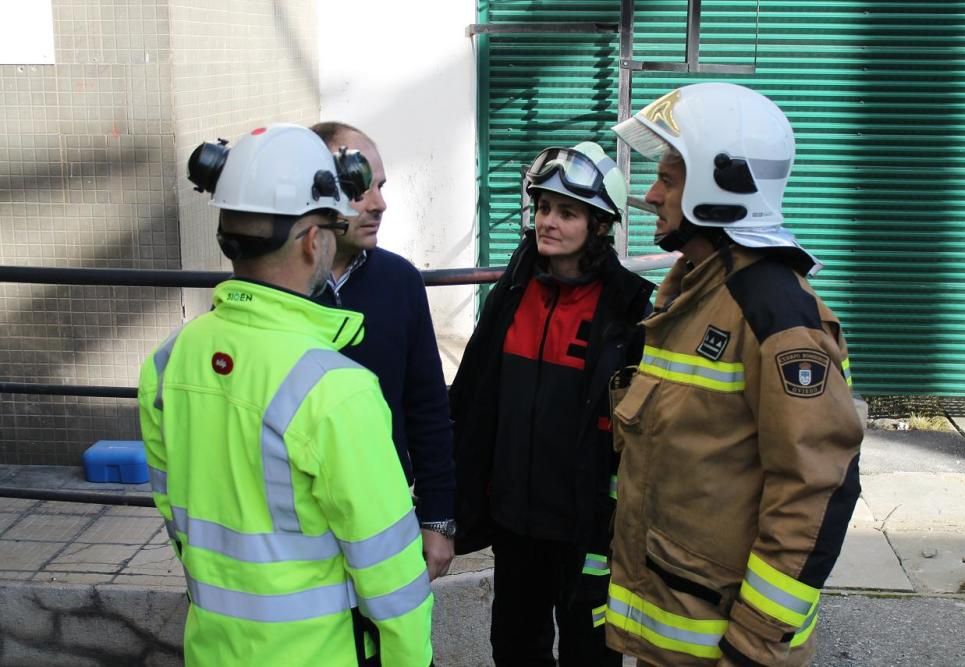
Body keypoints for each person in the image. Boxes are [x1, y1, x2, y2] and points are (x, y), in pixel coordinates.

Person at [137, 123, 433, 667]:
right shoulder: (337, 389)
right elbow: (392, 573)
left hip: (213, 648)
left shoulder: (167, 360)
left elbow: (174, 512)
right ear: (314, 241)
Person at [605, 82, 863, 666]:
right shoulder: (692, 290)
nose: (649, 195)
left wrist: (753, 645)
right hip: (674, 631)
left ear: (721, 184)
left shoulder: (771, 308)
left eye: (668, 178)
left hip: (730, 649)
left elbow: (818, 489)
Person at [450, 142, 655, 666]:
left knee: (591, 653)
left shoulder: (627, 311)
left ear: (600, 225)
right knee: (515, 648)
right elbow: (474, 393)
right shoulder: (515, 291)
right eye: (544, 207)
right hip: (515, 523)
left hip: (586, 529)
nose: (548, 221)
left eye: (567, 212)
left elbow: (643, 434)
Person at [310, 122, 456, 580]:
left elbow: (428, 407)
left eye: (381, 186)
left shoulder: (400, 281)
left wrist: (437, 518)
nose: (379, 203)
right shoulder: (274, 291)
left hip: (385, 514)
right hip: (296, 522)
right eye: (359, 188)